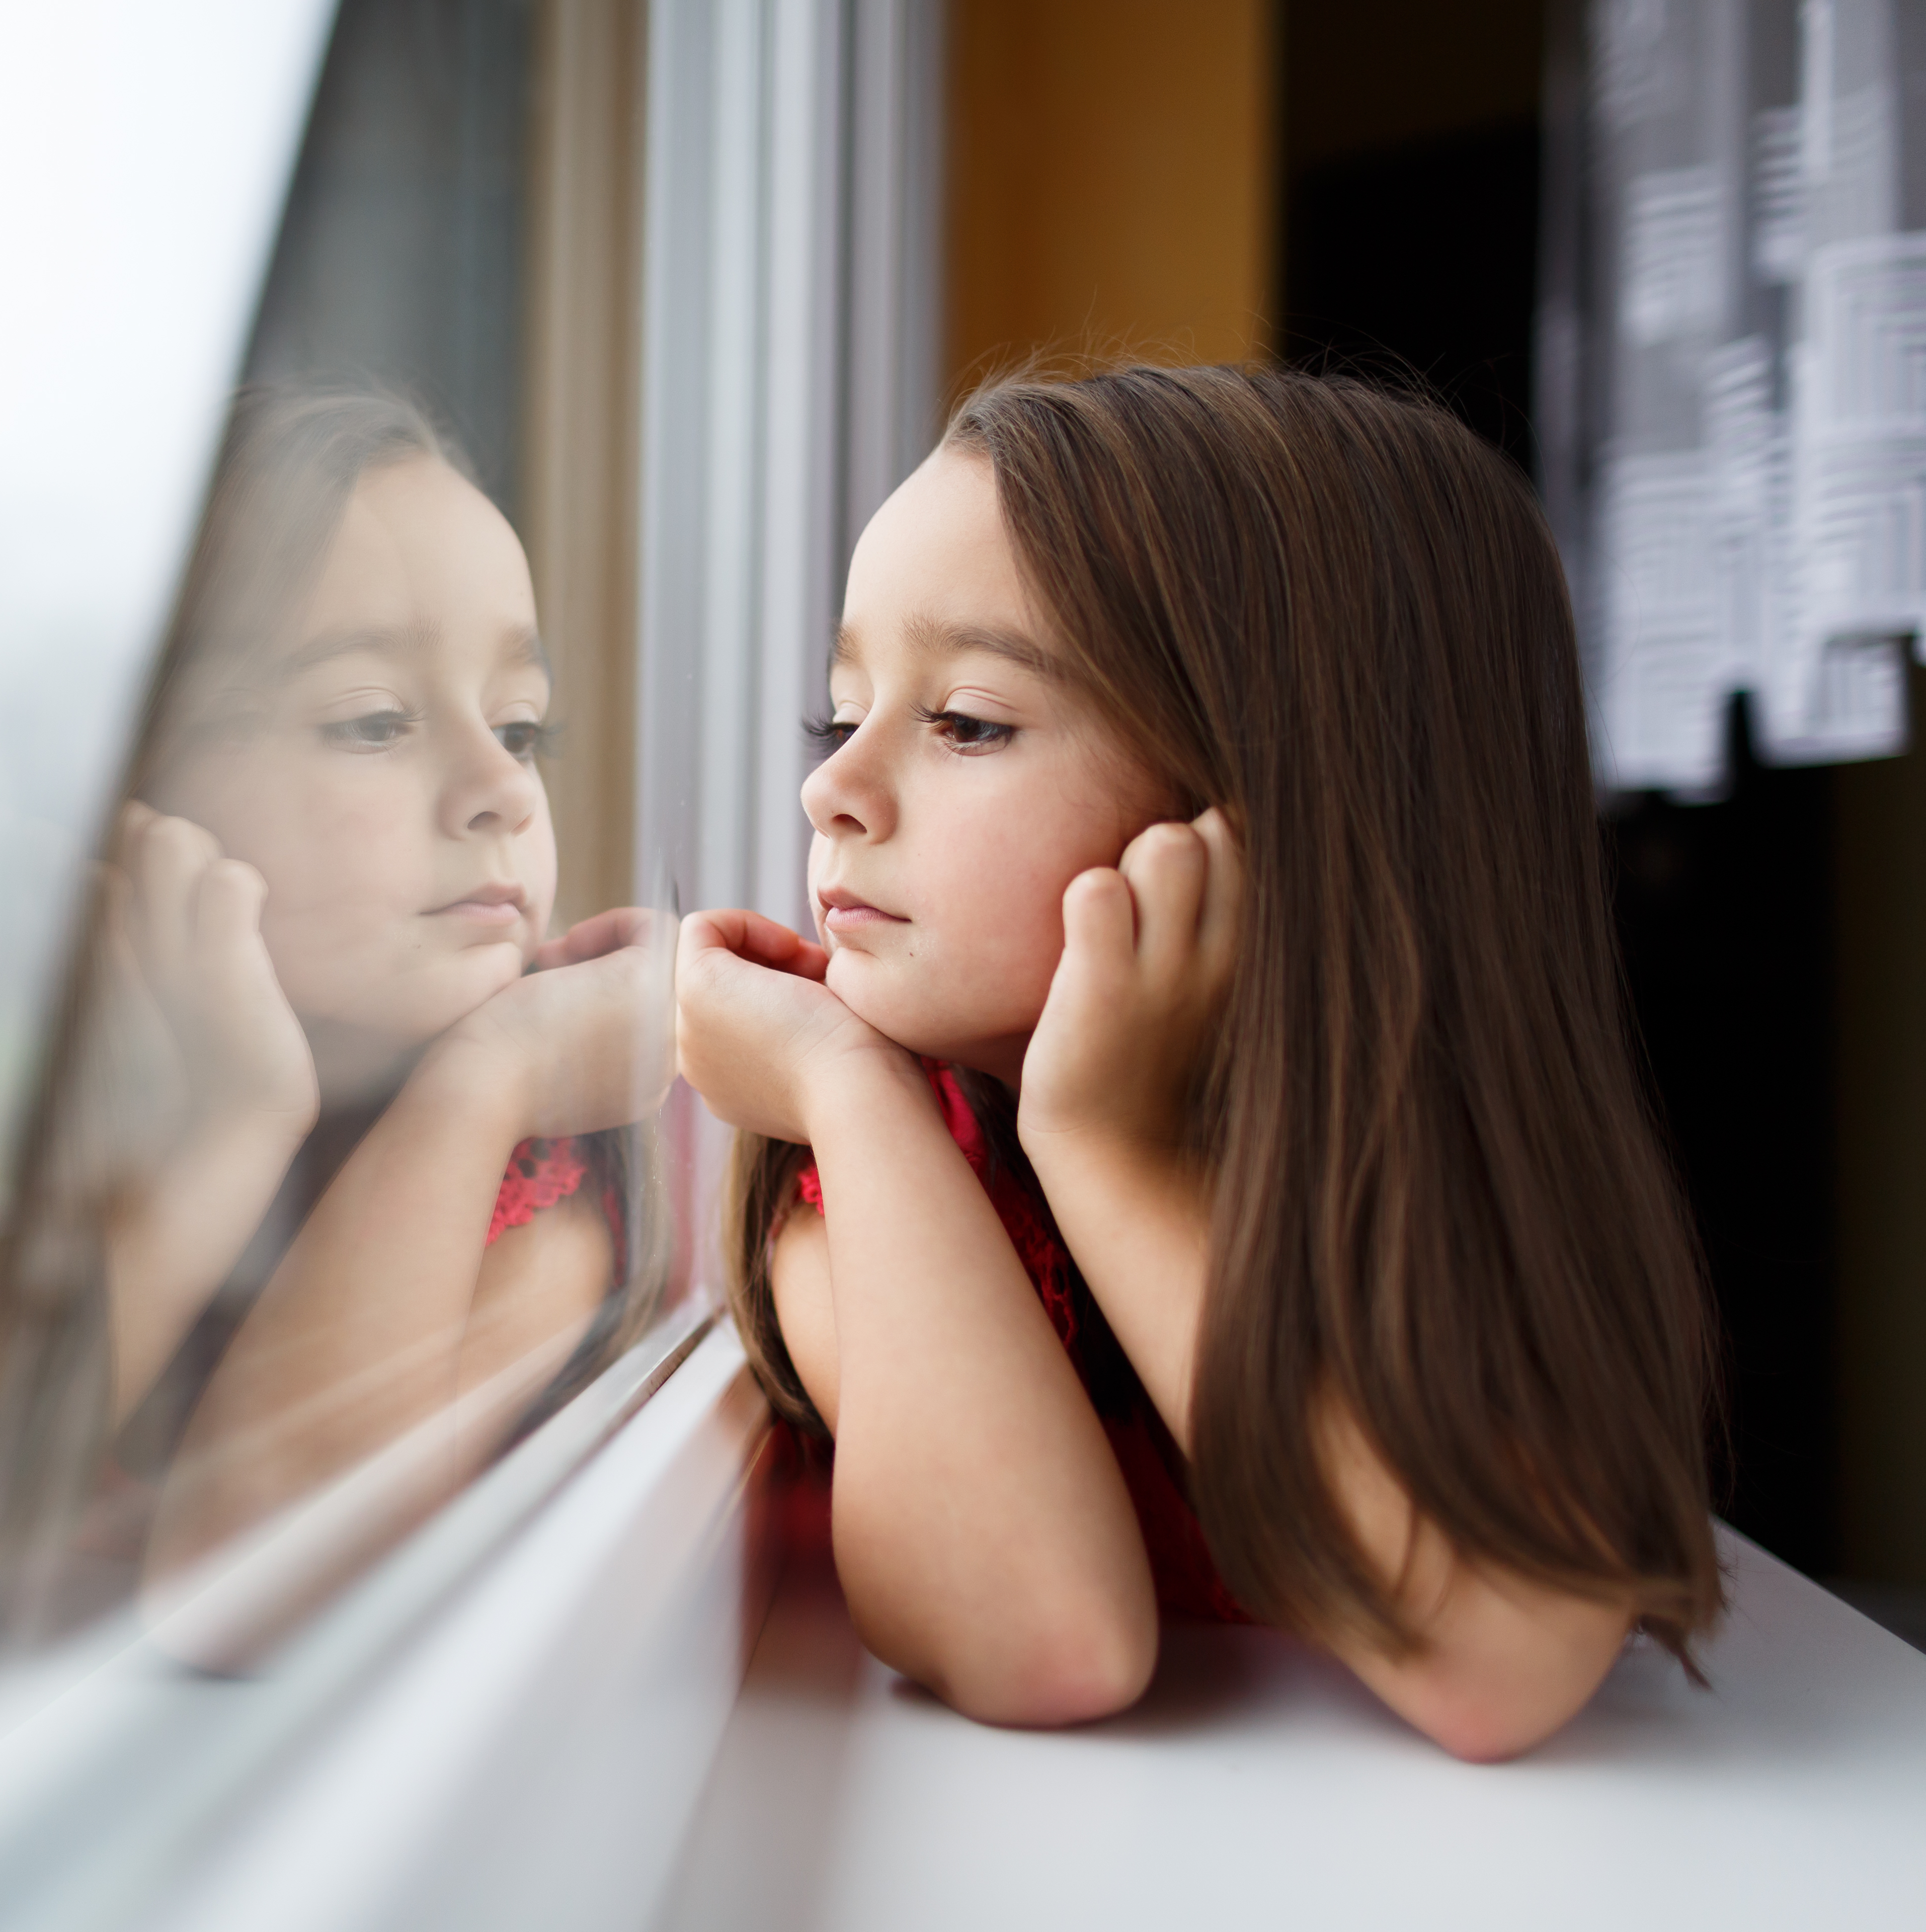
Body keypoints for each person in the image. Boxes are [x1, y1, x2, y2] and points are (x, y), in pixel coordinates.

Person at [677, 365, 1719, 1762]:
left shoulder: (1416, 1182)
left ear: (1284, 810)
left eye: (969, 720)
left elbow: (1507, 1651)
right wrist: (846, 1091)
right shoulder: (883, 1157)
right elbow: (1045, 1640)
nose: (830, 789)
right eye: (840, 710)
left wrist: (1114, 1149)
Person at [88, 387, 669, 1599]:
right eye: (372, 722)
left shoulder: (546, 1186)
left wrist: (488, 1073)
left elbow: (249, 1576)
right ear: (143, 788)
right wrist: (235, 1121)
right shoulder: (67, 1133)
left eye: (521, 728)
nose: (500, 789)